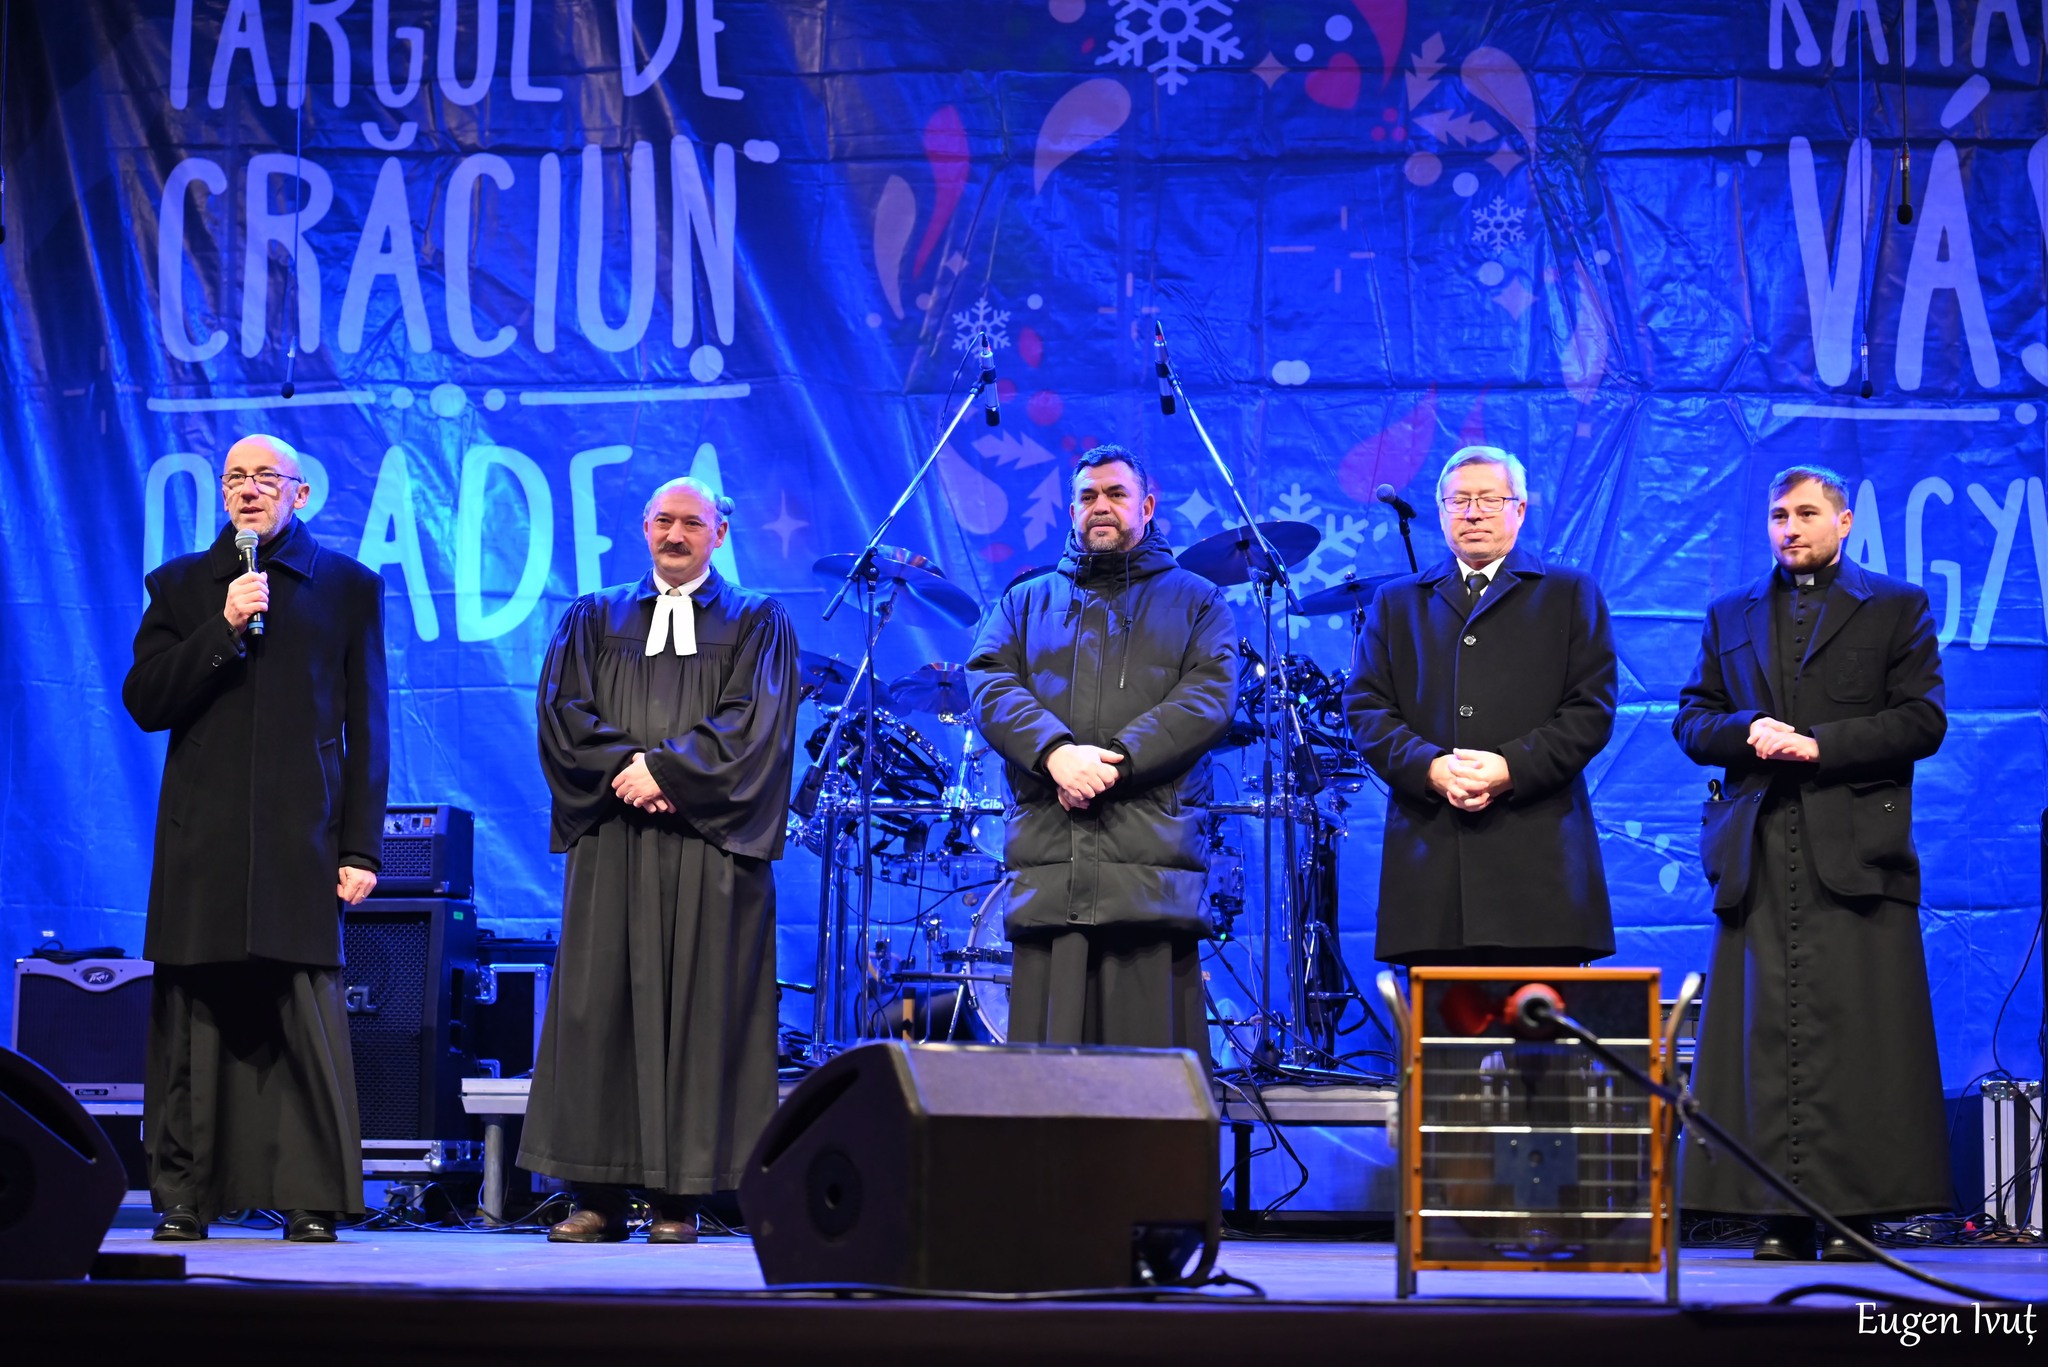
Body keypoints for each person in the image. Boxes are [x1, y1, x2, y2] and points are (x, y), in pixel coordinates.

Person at [1674, 464, 1949, 1261]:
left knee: (1863, 1036)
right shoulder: (1731, 612)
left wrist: (1819, 745)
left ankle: (1858, 1216)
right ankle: (1779, 1216)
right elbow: (1692, 719)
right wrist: (1747, 730)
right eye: (1777, 516)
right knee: (1762, 1040)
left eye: (1804, 513)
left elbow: (1922, 720)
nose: (1788, 528)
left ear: (1844, 521)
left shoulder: (1896, 605)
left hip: (1857, 850)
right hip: (1758, 851)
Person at [122, 434, 388, 1244]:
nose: (248, 490)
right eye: (235, 477)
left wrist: (360, 848)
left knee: (298, 1017)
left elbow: (368, 728)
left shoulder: (347, 586)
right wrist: (223, 625)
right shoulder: (181, 585)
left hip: (300, 839)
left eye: (265, 478)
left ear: (299, 493)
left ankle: (309, 1198)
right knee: (194, 1022)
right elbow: (146, 700)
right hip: (200, 843)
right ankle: (184, 1195)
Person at [520, 477, 800, 1244]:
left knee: (703, 1013)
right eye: (663, 522)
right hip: (615, 839)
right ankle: (597, 1196)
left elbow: (757, 725)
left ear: (721, 532)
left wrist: (669, 773)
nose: (676, 536)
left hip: (710, 849)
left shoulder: (757, 621)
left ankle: (682, 1198)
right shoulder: (593, 616)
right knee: (601, 1011)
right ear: (644, 527)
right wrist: (628, 769)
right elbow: (562, 712)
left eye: (692, 524)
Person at [966, 444, 1237, 1054]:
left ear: (1147, 505)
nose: (1101, 506)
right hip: (1052, 868)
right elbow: (988, 682)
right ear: (1071, 511)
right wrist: (1055, 754)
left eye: (1116, 494)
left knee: (1150, 1083)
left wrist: (1111, 763)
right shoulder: (1023, 602)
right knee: (1048, 1084)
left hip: (1148, 873)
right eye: (1088, 496)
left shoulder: (1198, 601)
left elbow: (1208, 697)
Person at [1343, 445, 1617, 966]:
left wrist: (1512, 767)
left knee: (1541, 1019)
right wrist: (1430, 767)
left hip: (1539, 860)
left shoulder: (1568, 593)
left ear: (1520, 509)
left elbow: (1591, 708)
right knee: (1440, 1020)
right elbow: (1366, 708)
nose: (1472, 513)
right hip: (1431, 862)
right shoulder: (1398, 602)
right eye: (1458, 501)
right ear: (1442, 510)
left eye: (1489, 500)